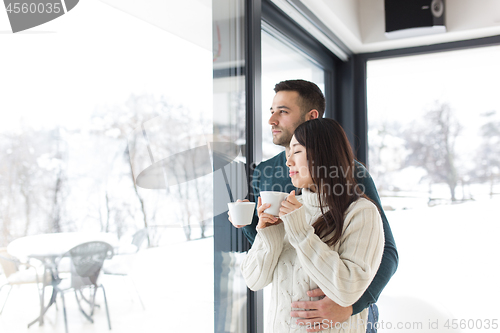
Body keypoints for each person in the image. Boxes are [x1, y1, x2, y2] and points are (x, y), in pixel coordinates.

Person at [228, 79, 398, 332]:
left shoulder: (352, 175)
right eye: (271, 111)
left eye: (282, 111)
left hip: (342, 313)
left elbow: (385, 251)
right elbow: (272, 253)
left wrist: (351, 306)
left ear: (312, 116)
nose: (271, 120)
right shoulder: (264, 172)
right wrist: (251, 225)